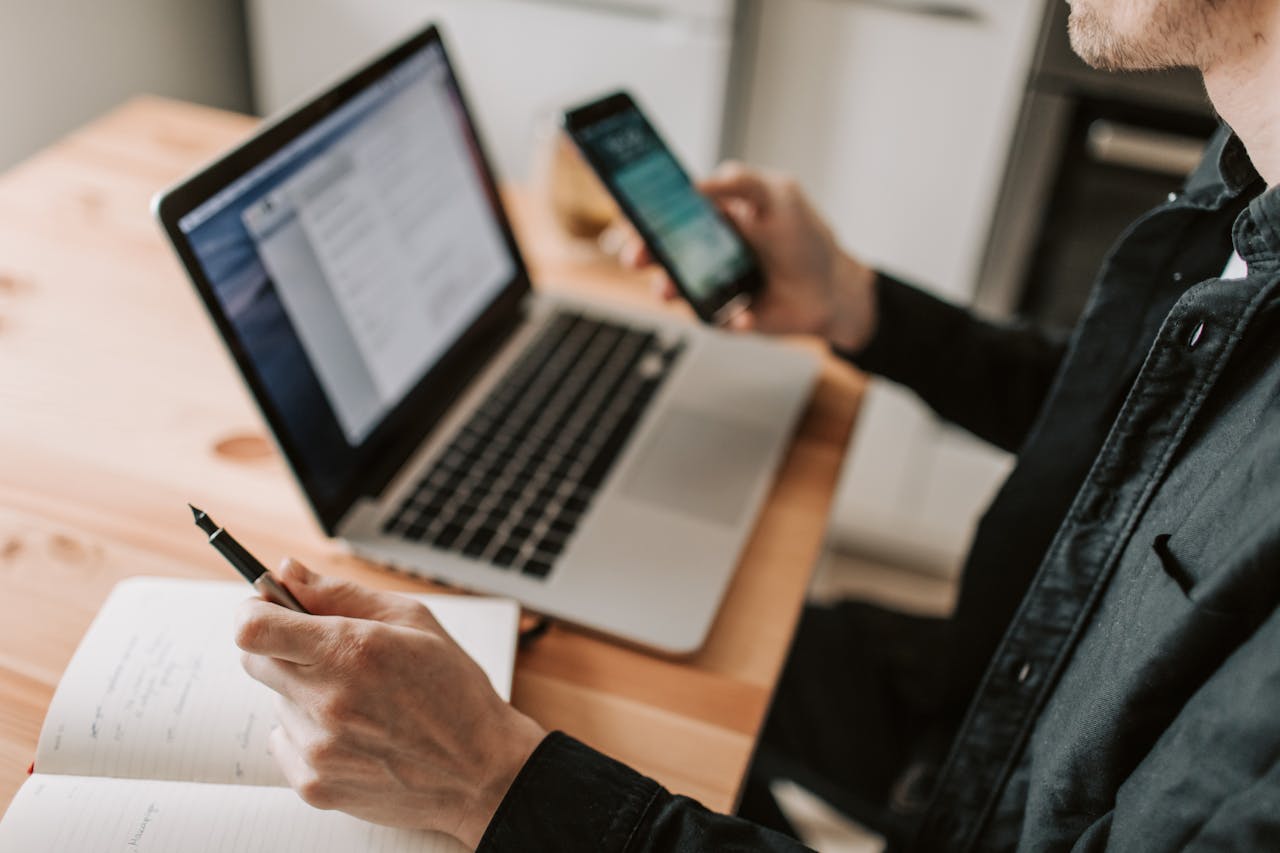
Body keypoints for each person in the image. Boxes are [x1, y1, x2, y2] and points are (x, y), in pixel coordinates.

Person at [234, 0, 1280, 849]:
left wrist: (490, 783)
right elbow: (1141, 419)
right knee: (669, 661)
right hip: (991, 674)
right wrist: (857, 305)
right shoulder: (1241, 153)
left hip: (992, 790)